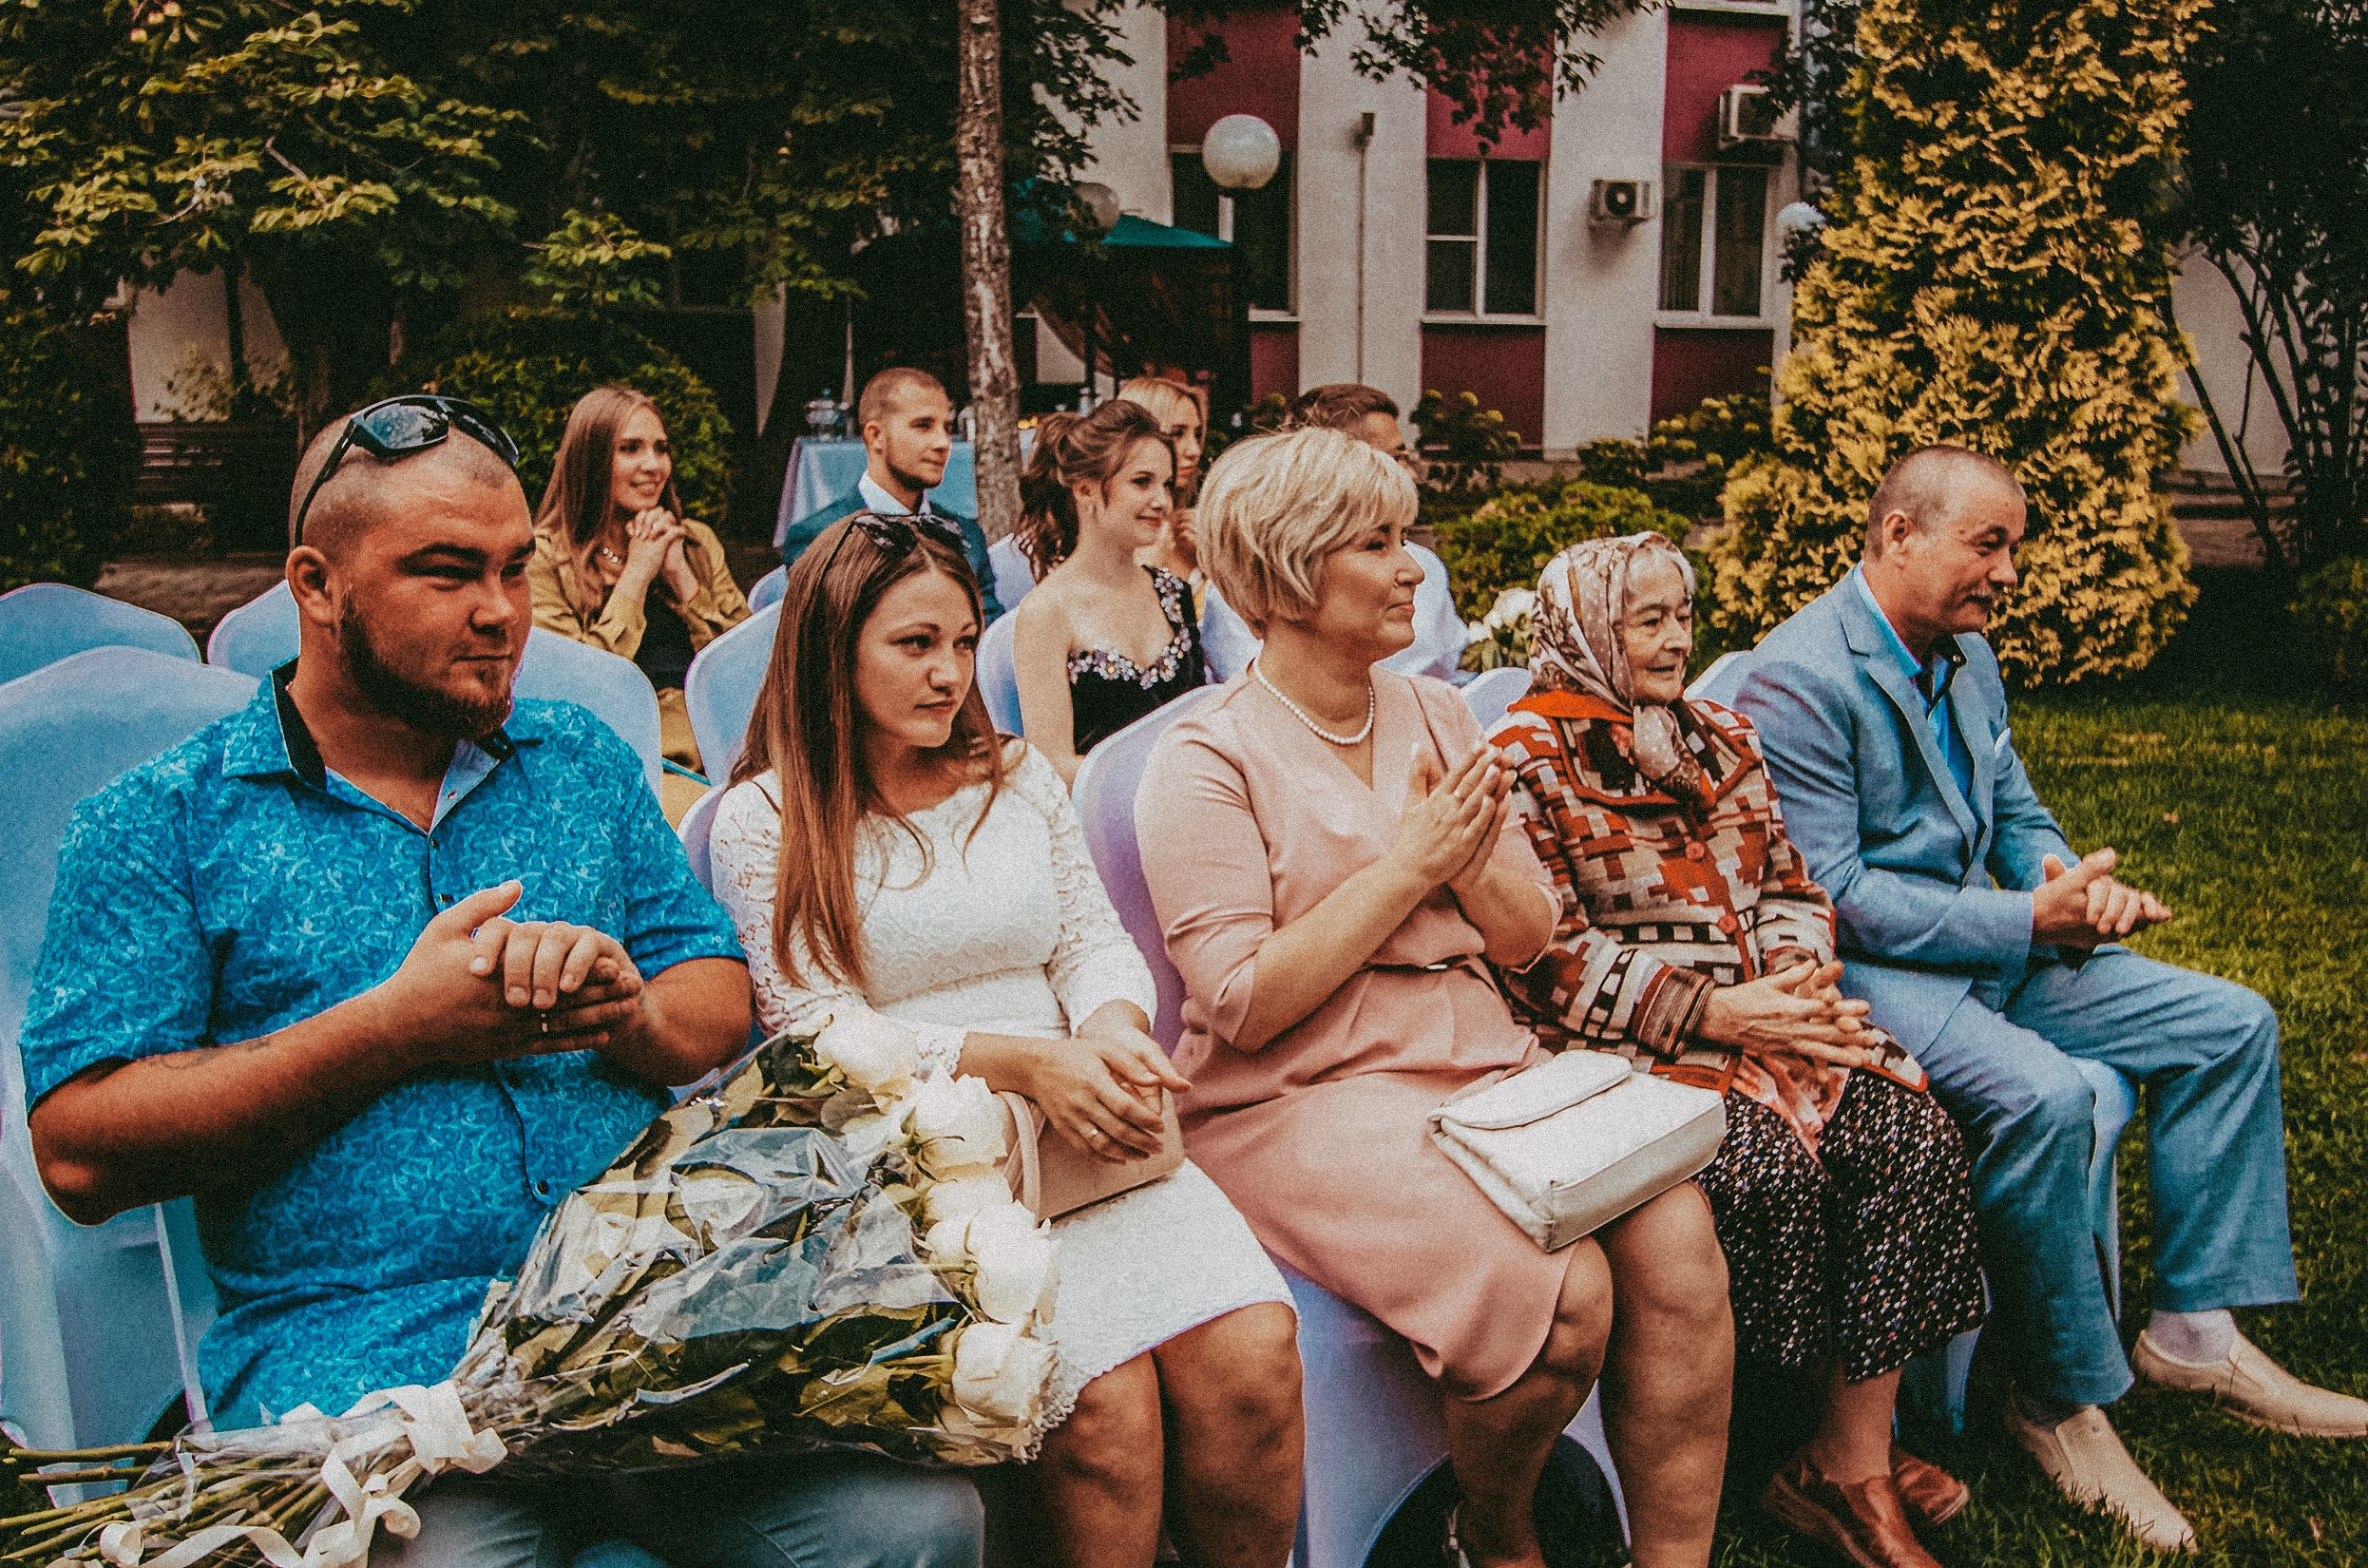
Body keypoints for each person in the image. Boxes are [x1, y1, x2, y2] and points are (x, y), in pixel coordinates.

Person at [20, 399, 983, 1568]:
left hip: (646, 1326)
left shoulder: (575, 759)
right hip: (372, 1364)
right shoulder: (161, 822)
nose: (499, 614)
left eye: (514, 570)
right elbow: (79, 1152)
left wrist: (617, 1010)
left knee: (915, 1526)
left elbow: (713, 1001)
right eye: (445, 573)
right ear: (316, 586)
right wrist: (396, 1028)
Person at [1716, 445, 2368, 1555]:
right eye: (1988, 544)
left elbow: (2012, 808)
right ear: (1895, 537)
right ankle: (2055, 1399)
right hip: (1874, 974)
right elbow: (1837, 896)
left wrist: (2065, 882)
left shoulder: (1964, 654)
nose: (2007, 572)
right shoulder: (1799, 675)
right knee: (2046, 1097)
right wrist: (2026, 923)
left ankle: (2190, 1332)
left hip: (1998, 945)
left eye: (2010, 546)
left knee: (2229, 1026)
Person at [1138, 428, 1733, 1568]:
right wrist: (1409, 866)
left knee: (1678, 1242)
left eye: (1406, 536)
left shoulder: (1437, 714)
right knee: (1562, 1299)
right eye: (1378, 541)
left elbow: (1527, 938)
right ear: (1286, 569)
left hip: (1483, 1064)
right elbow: (1241, 1001)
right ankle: (1498, 1538)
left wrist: (1464, 862)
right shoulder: (1203, 756)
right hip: (1296, 1098)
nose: (1415, 566)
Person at [707, 509, 1302, 1568]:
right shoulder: (770, 816)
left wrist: (1111, 1034)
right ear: (830, 650)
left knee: (1256, 1362)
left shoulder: (1013, 774)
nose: (947, 673)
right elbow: (814, 1027)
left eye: (958, 640)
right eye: (911, 644)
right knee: (1105, 1413)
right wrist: (1027, 1063)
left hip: (1096, 1135)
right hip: (930, 1164)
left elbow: (1090, 941)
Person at [1494, 533, 1986, 1568]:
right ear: (1584, 631)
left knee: (1907, 1134)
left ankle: (1846, 1456)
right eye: (1646, 621)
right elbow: (1542, 956)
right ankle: (1781, 1428)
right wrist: (1717, 1013)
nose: (1675, 641)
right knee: (1757, 1170)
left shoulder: (1719, 733)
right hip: (1634, 1049)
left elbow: (1786, 885)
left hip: (1771, 1022)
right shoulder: (1523, 761)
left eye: (1682, 615)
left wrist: (1797, 985)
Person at [528, 385, 750, 813]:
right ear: (591, 461)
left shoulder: (696, 541)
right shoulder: (545, 558)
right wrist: (636, 576)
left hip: (723, 742)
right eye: (630, 449)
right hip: (632, 755)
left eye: (661, 449)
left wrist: (682, 579)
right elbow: (575, 691)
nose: (654, 466)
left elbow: (749, 670)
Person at [1198, 383, 1465, 684]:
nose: (1409, 473)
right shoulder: (1250, 575)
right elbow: (1252, 682)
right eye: (1375, 545)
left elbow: (1449, 672)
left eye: (1400, 540)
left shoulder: (1437, 707)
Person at [1010, 401, 1208, 784]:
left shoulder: (1174, 592)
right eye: (1142, 482)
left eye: (1166, 485)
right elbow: (1051, 768)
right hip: (1097, 828)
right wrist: (1167, 781)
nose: (1162, 501)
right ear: (1085, 490)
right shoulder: (1045, 613)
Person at [780, 367, 1002, 622]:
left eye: (946, 427)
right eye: (923, 426)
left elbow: (988, 639)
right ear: (876, 436)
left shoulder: (966, 535)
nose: (943, 442)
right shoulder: (820, 537)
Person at [1117, 375, 1207, 596]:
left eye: (1196, 434)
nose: (1194, 450)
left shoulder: (1192, 529)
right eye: (1177, 433)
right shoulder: (1111, 537)